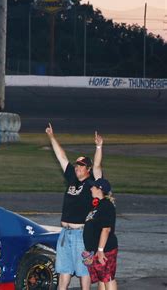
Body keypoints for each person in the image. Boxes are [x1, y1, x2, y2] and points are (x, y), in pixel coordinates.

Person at [45, 123, 103, 290]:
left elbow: (98, 166)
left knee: (84, 273)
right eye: (77, 165)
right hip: (65, 234)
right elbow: (62, 157)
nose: (77, 167)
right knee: (63, 272)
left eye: (81, 165)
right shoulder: (72, 178)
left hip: (81, 235)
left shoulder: (93, 183)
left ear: (88, 169)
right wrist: (51, 137)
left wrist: (99, 146)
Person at [83, 178, 118, 290]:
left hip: (105, 249)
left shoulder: (106, 206)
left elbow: (106, 229)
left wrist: (101, 250)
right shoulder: (97, 206)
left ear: (100, 189)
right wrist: (90, 252)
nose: (91, 188)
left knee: (108, 278)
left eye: (93, 186)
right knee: (102, 278)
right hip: (97, 250)